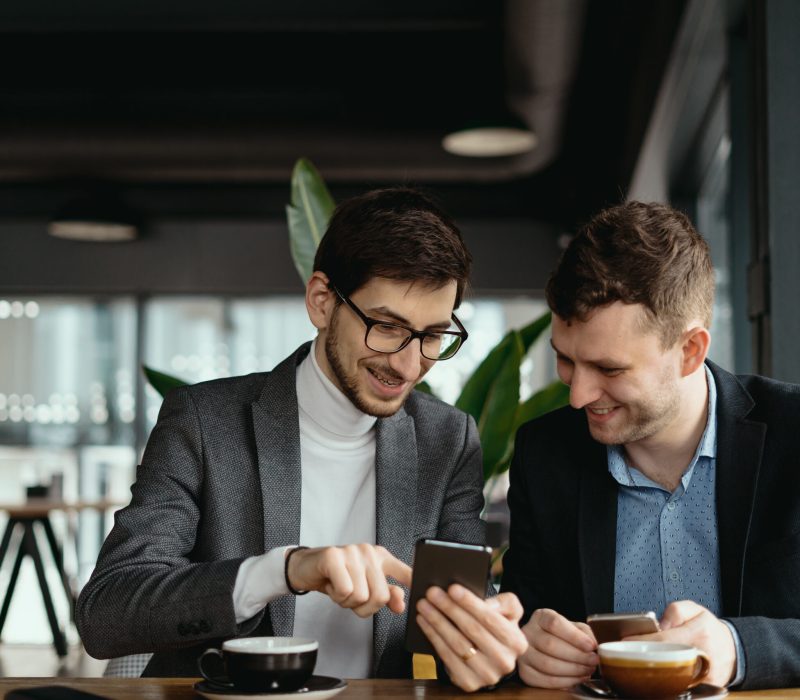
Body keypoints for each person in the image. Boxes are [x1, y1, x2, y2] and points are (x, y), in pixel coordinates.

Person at [76, 187, 527, 691]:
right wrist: (284, 570)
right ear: (321, 302)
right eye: (386, 326)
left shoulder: (448, 439)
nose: (407, 363)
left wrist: (484, 639)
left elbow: (462, 613)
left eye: (432, 335)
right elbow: (107, 611)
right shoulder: (204, 421)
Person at [502, 201, 800, 691]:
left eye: (609, 369)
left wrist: (737, 648)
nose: (578, 396)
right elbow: (520, 618)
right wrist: (526, 649)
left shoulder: (794, 433)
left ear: (690, 351)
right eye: (566, 360)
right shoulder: (545, 454)